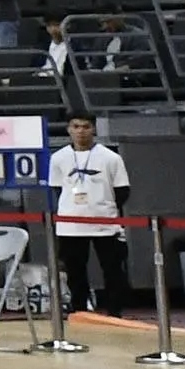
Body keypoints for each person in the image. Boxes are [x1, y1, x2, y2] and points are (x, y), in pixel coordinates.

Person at [48, 110, 137, 342]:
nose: (81, 131)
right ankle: (79, 309)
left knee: (112, 269)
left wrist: (103, 208)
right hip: (70, 223)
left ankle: (114, 311)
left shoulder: (110, 158)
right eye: (76, 126)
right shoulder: (58, 158)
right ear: (68, 129)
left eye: (86, 126)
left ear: (94, 129)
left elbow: (122, 191)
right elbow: (58, 188)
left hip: (104, 222)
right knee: (75, 270)